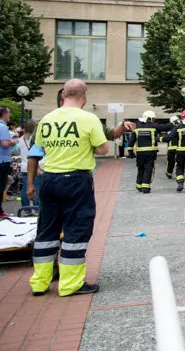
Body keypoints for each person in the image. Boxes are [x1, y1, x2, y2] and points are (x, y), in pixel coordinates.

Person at [27, 79, 134, 297]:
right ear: (84, 96)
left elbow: (41, 149)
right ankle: (70, 284)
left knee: (46, 230)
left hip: (49, 179)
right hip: (76, 180)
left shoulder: (46, 120)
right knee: (76, 229)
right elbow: (103, 149)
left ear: (63, 94)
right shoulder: (88, 119)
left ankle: (39, 282)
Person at [133, 111, 174, 194]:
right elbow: (164, 127)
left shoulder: (136, 126)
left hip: (140, 152)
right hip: (151, 152)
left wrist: (130, 150)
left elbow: (132, 139)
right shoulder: (153, 125)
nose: (154, 120)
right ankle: (145, 186)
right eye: (153, 118)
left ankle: (139, 185)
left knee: (140, 168)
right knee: (148, 168)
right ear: (150, 118)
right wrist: (173, 124)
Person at [17, 120, 37, 215]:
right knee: (36, 187)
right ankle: (36, 208)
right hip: (34, 167)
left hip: (24, 166)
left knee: (25, 188)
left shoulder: (21, 139)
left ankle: (26, 209)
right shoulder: (35, 139)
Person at [0, 106, 14, 208]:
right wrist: (13, 142)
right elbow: (5, 143)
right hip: (3, 160)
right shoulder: (3, 126)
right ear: (4, 114)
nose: (9, 116)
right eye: (9, 113)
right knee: (1, 185)